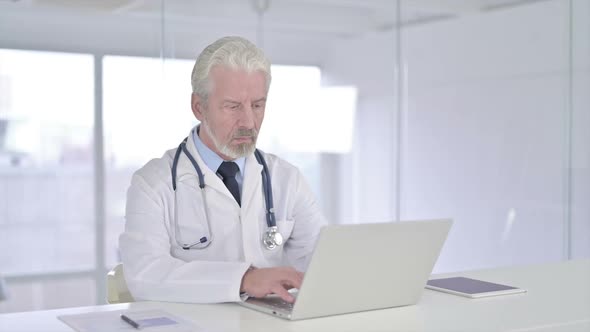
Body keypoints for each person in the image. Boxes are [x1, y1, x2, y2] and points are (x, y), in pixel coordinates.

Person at [119, 36, 325, 304]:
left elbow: (321, 264)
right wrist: (244, 279)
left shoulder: (287, 179)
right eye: (232, 106)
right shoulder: (153, 183)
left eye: (257, 105)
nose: (248, 121)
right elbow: (145, 275)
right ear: (198, 107)